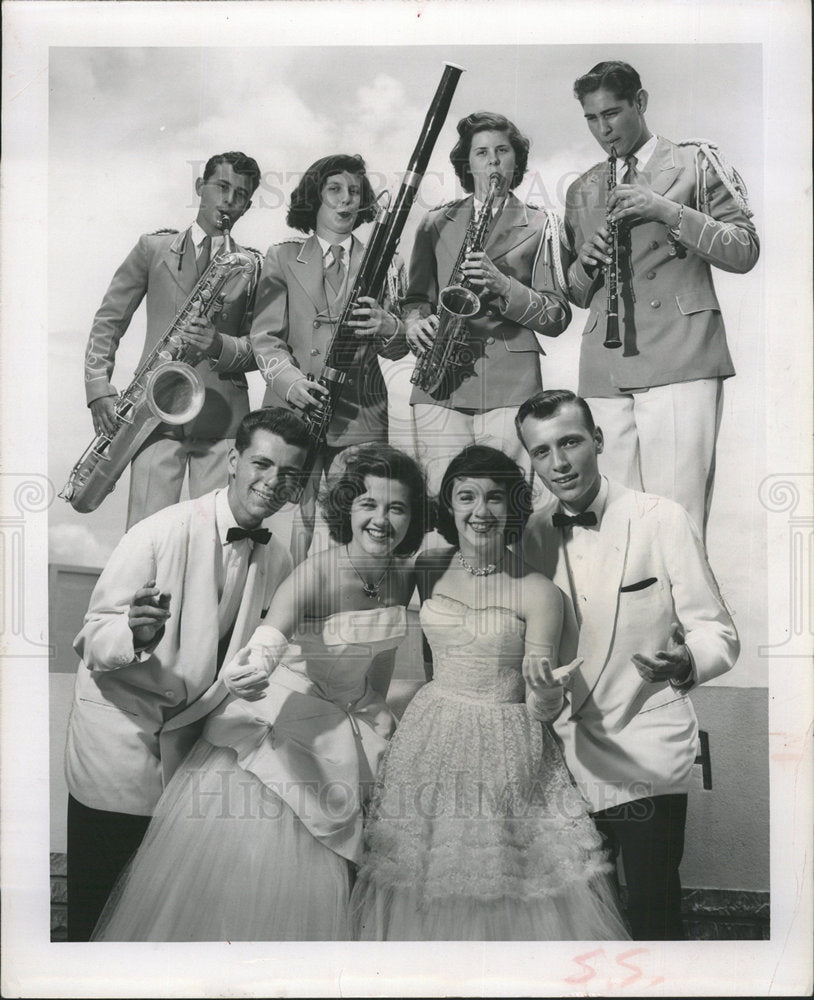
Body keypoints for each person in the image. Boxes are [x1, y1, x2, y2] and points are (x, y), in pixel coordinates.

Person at [92, 444, 431, 941]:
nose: (382, 520)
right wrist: (253, 669)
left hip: (350, 722)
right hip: (286, 725)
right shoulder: (317, 572)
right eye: (368, 505)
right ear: (346, 509)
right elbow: (268, 641)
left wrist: (376, 724)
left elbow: (377, 665)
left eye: (397, 508)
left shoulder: (403, 577)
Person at [351, 445, 629, 940]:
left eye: (495, 498)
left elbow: (543, 706)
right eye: (467, 497)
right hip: (429, 733)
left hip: (506, 743)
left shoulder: (540, 592)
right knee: (420, 871)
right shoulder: (428, 566)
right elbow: (380, 630)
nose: (481, 511)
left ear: (513, 506)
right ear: (449, 506)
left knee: (498, 875)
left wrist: (545, 692)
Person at [64, 406, 310, 941]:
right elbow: (91, 637)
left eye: (289, 474)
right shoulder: (158, 532)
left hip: (186, 751)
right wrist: (136, 634)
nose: (273, 483)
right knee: (96, 915)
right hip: (117, 744)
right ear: (232, 461)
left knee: (152, 918)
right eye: (262, 465)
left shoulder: (282, 557)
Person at [517, 389, 740, 939]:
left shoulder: (661, 518)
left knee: (653, 908)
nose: (559, 463)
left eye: (570, 442)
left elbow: (718, 632)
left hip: (646, 743)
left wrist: (685, 660)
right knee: (583, 916)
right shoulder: (530, 537)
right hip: (563, 754)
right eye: (542, 451)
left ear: (597, 440)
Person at [565, 61, 759, 536]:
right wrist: (585, 263)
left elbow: (744, 250)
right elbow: (572, 292)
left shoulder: (695, 163)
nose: (603, 129)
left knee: (676, 516)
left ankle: (683, 613)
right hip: (605, 366)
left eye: (612, 113)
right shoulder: (581, 189)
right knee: (615, 518)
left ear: (641, 102)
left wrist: (668, 211)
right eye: (591, 119)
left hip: (680, 354)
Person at [84, 151, 264, 528]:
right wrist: (99, 387)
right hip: (153, 415)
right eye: (222, 187)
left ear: (247, 205)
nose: (230, 199)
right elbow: (108, 321)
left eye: (241, 194)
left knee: (214, 537)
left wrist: (218, 345)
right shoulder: (152, 249)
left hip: (223, 422)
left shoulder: (252, 265)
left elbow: (263, 348)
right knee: (144, 536)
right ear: (200, 187)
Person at [250, 154, 409, 563]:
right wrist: (291, 384)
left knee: (353, 520)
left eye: (355, 192)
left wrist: (387, 325)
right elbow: (265, 338)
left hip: (361, 414)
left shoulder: (385, 261)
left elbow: (399, 346)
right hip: (293, 408)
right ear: (314, 198)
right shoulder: (282, 257)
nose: (346, 200)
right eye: (334, 190)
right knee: (288, 520)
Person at [404, 111, 571, 496]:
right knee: (440, 499)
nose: (493, 160)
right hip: (439, 381)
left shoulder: (542, 225)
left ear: (516, 161)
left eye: (502, 150)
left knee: (507, 500)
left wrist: (503, 285)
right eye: (481, 153)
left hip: (510, 383)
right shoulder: (434, 223)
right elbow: (415, 299)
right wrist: (416, 323)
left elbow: (557, 315)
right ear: (467, 164)